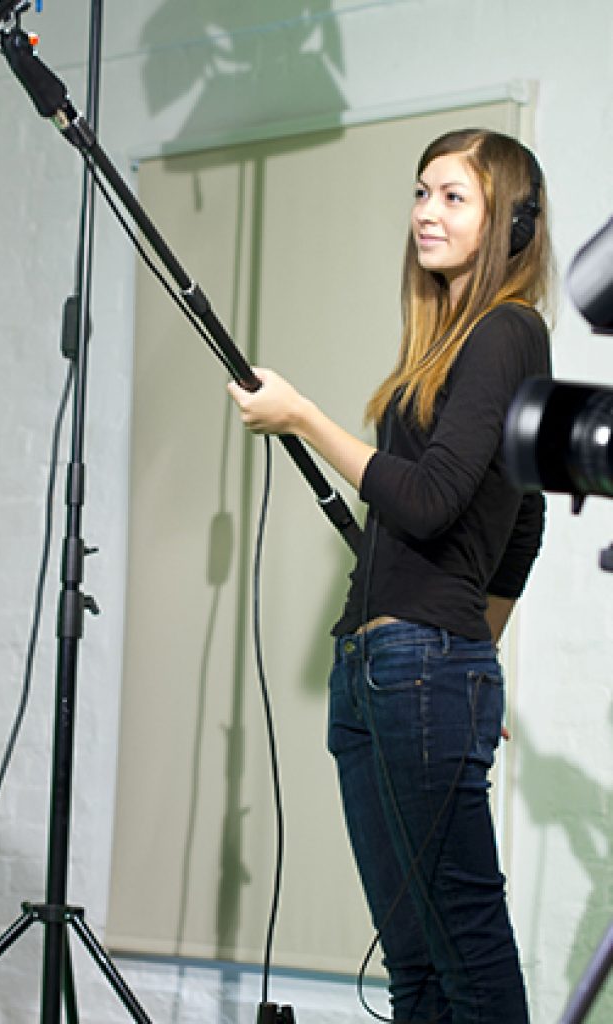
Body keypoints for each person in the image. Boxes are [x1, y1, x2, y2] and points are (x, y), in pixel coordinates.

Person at [228, 128, 552, 1023]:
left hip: (418, 669)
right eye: (419, 192)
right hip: (377, 674)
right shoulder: (446, 347)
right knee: (415, 969)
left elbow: (434, 500)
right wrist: (475, 651)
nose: (425, 213)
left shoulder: (508, 331)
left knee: (468, 959)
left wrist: (304, 418)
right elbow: (522, 521)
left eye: (453, 196)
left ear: (511, 224)